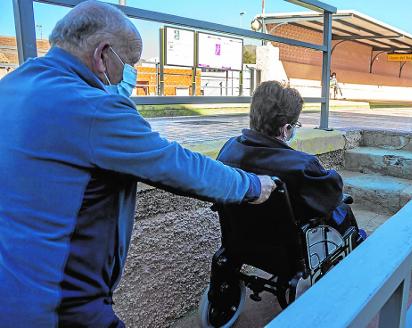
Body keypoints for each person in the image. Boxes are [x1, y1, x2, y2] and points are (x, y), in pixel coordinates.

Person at [0, 2, 276, 327]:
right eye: (129, 64)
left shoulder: (11, 87)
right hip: (60, 304)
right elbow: (178, 166)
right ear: (103, 55)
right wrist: (254, 185)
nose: (130, 76)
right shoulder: (95, 108)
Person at [217, 81, 366, 238]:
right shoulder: (302, 165)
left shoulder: (229, 149)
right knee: (343, 209)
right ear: (286, 128)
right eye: (295, 124)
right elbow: (332, 195)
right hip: (290, 253)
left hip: (242, 243)